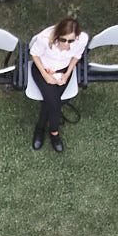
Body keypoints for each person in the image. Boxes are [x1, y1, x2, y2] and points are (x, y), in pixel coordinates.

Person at [27, 17, 89, 153]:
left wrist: (67, 74)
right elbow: (34, 54)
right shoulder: (44, 38)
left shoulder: (82, 39)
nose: (67, 44)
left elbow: (77, 56)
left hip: (63, 71)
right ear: (57, 35)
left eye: (71, 41)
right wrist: (45, 75)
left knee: (50, 103)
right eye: (63, 40)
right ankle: (53, 132)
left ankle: (40, 128)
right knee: (55, 103)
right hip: (42, 70)